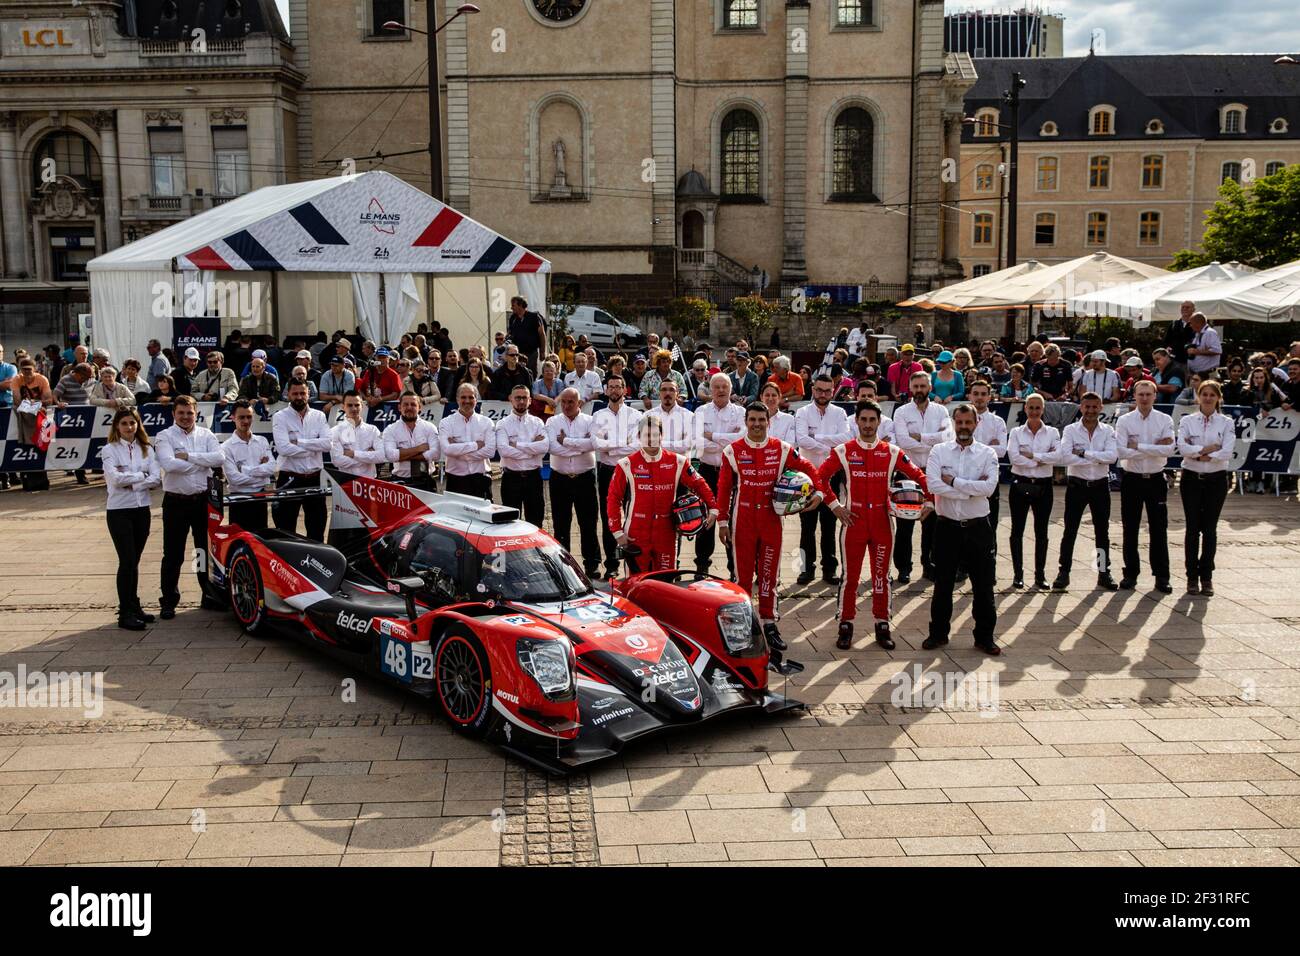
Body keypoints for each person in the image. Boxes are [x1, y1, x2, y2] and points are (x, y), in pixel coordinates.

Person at [821, 399, 931, 650]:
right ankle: (845, 624)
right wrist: (835, 506)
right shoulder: (843, 451)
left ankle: (882, 623)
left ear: (880, 422)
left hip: (883, 522)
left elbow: (920, 476)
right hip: (854, 521)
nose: (868, 425)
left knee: (881, 575)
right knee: (850, 577)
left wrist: (930, 503)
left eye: (872, 420)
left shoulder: (892, 452)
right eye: (864, 420)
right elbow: (820, 478)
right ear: (856, 421)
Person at [716, 402, 825, 651]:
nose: (756, 424)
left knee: (769, 577)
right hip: (742, 520)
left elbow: (808, 468)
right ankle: (742, 627)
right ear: (746, 422)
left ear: (769, 422)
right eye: (752, 420)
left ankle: (769, 624)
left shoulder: (782, 449)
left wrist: (818, 492)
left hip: (771, 520)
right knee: (741, 579)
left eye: (761, 420)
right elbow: (723, 490)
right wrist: (722, 521)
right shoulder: (732, 451)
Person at [923, 404, 1001, 655]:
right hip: (947, 528)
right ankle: (938, 634)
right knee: (942, 585)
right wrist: (970, 490)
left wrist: (955, 483)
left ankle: (984, 637)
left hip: (978, 528)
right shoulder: (939, 451)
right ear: (954, 423)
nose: (964, 427)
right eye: (960, 423)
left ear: (976, 423)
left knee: (983, 586)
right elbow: (933, 484)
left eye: (968, 423)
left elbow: (988, 489)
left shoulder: (987, 453)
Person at [607, 415, 718, 574]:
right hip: (636, 533)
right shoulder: (625, 464)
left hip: (666, 533)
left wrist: (713, 509)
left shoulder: (678, 461)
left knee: (666, 583)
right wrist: (617, 532)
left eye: (655, 435)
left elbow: (699, 483)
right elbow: (613, 498)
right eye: (646, 435)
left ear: (661, 435)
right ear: (639, 436)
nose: (651, 439)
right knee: (636, 586)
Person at [154, 395, 224, 618]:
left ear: (196, 413)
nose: (185, 417)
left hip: (202, 501)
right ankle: (169, 600)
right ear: (174, 413)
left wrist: (189, 457)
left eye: (190, 413)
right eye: (181, 413)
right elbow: (168, 464)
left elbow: (219, 458)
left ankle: (207, 593)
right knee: (173, 554)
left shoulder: (206, 434)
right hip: (176, 502)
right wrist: (200, 463)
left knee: (202, 550)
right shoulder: (164, 436)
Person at [890, 370, 953, 584]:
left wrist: (921, 437)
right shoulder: (901, 412)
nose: (919, 390)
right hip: (908, 472)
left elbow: (948, 438)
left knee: (932, 523)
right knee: (905, 524)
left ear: (930, 387)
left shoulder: (941, 411)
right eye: (915, 387)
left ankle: (929, 564)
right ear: (910, 388)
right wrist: (931, 440)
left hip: (933, 473)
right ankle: (903, 567)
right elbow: (903, 441)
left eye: (922, 386)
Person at [101, 407, 162, 629]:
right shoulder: (110, 449)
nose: (129, 427)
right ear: (117, 426)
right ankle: (124, 612)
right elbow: (115, 479)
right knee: (126, 561)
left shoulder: (146, 448)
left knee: (134, 561)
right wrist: (141, 477)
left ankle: (133, 605)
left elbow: (156, 479)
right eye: (125, 423)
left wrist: (134, 480)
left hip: (141, 509)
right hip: (119, 511)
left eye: (132, 423)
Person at [1053, 392, 1120, 592]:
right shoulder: (1071, 430)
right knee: (1070, 530)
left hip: (1100, 485)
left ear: (1101, 408)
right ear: (1081, 407)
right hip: (1077, 485)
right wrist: (1096, 457)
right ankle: (1063, 572)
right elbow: (1065, 457)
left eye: (1094, 407)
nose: (1090, 411)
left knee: (1102, 532)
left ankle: (1103, 572)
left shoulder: (1107, 430)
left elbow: (1112, 456)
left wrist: (1083, 453)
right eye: (1087, 407)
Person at [1115, 380, 1175, 593]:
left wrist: (1138, 446)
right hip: (1132, 478)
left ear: (1155, 396)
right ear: (1134, 395)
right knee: (1130, 528)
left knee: (1159, 529)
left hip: (1156, 478)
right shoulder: (1125, 420)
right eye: (1140, 394)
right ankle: (1131, 574)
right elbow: (1121, 451)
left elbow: (1169, 449)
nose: (1144, 398)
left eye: (1148, 394)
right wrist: (1154, 447)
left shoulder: (1164, 419)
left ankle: (1162, 576)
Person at [1176, 380, 1234, 596]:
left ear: (1218, 397)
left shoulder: (1226, 422)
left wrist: (1200, 452)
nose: (1208, 398)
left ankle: (1206, 576)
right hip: (1192, 478)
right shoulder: (1188, 421)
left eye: (1212, 394)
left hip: (1216, 479)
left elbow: (1227, 451)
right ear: (1198, 397)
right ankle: (1191, 576)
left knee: (1209, 529)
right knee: (1192, 528)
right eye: (1204, 394)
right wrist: (1208, 450)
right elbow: (1182, 447)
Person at [794, 373, 852, 586]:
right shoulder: (802, 412)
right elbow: (801, 440)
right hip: (807, 477)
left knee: (829, 526)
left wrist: (815, 437)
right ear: (812, 389)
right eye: (819, 390)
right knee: (806, 527)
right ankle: (805, 569)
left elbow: (846, 439)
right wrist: (829, 446)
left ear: (833, 391)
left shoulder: (840, 413)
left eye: (827, 391)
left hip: (831, 476)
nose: (823, 394)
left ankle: (830, 570)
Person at [1006, 393, 1061, 590]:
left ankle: (1040, 575)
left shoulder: (1052, 432)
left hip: (1043, 485)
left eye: (1038, 408)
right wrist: (1039, 460)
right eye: (1031, 408)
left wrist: (1032, 455)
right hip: (1020, 484)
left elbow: (1057, 456)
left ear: (1043, 409)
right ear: (1025, 409)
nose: (1035, 411)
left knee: (1042, 532)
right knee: (1017, 531)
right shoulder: (1016, 432)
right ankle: (1018, 574)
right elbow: (1013, 457)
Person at [694, 373, 746, 576]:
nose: (721, 390)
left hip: (732, 472)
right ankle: (702, 566)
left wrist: (713, 437)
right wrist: (726, 441)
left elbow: (740, 440)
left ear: (731, 389)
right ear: (710, 390)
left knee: (732, 520)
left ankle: (734, 569)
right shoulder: (701, 411)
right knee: (706, 519)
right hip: (707, 471)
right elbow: (697, 442)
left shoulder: (740, 412)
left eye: (725, 386)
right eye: (717, 387)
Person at [592, 375, 643, 579]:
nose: (614, 390)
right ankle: (612, 564)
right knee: (609, 517)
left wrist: (610, 445)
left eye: (618, 386)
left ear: (624, 390)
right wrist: (622, 443)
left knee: (632, 517)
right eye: (611, 387)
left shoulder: (635, 416)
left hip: (630, 471)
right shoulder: (598, 416)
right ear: (606, 390)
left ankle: (633, 562)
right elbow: (597, 444)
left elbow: (637, 445)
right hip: (607, 471)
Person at [547, 387, 601, 576]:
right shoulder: (552, 421)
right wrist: (580, 445)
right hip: (559, 478)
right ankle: (563, 566)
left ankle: (592, 565)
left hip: (585, 477)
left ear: (579, 403)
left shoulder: (590, 421)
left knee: (588, 523)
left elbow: (594, 444)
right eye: (564, 402)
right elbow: (552, 447)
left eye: (571, 402)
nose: (567, 405)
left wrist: (567, 441)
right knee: (561, 523)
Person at [271, 380, 331, 541]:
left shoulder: (319, 416)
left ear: (308, 394)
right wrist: (313, 448)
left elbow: (327, 444)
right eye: (295, 393)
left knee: (317, 530)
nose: (299, 397)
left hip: (315, 479)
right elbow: (284, 448)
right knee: (285, 530)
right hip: (289, 478)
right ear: (288, 395)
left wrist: (301, 442)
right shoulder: (280, 417)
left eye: (302, 393)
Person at [495, 384, 549, 525]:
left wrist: (517, 445)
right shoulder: (502, 424)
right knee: (509, 523)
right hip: (511, 478)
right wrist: (532, 450)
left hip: (534, 478)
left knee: (536, 522)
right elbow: (503, 450)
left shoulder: (537, 423)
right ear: (510, 399)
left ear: (530, 400)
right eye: (517, 398)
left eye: (524, 398)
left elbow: (544, 447)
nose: (521, 401)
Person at [967, 379, 1007, 569]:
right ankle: (963, 566)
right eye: (976, 394)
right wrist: (988, 446)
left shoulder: (997, 422)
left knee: (990, 525)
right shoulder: (961, 419)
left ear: (989, 397)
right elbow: (958, 447)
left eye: (983, 394)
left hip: (989, 479)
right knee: (964, 523)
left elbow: (1002, 450)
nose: (980, 398)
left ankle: (988, 566)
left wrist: (978, 448)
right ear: (970, 396)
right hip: (966, 478)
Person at [221, 400, 277, 532]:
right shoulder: (225, 447)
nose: (246, 421)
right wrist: (263, 477)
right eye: (241, 417)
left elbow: (272, 467)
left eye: (249, 416)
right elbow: (234, 479)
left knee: (260, 541)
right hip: (238, 501)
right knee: (239, 542)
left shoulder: (262, 441)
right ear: (232, 418)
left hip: (260, 499)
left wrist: (245, 470)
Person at [441, 383, 495, 499]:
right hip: (455, 480)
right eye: (463, 397)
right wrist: (476, 445)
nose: (467, 401)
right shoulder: (446, 422)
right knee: (455, 517)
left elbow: (490, 452)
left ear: (476, 399)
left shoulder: (487, 422)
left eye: (471, 397)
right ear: (457, 399)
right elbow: (447, 450)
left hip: (481, 479)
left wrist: (458, 450)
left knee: (483, 517)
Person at [382, 391, 441, 491]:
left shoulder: (430, 427)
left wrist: (401, 455)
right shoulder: (390, 429)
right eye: (405, 404)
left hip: (426, 482)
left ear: (419, 407)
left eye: (413, 404)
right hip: (400, 482)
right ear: (399, 407)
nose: (409, 407)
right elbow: (390, 456)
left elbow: (435, 454)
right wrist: (419, 449)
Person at [329, 391, 386, 479]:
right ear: (343, 407)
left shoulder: (372, 430)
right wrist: (368, 457)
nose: (354, 408)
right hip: (346, 483)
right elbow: (337, 461)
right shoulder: (335, 431)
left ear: (362, 406)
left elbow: (381, 456)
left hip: (370, 482)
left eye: (357, 405)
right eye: (350, 405)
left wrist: (353, 454)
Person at [647, 379, 695, 455]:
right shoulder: (648, 415)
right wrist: (678, 445)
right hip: (654, 464)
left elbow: (689, 444)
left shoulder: (689, 416)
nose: (667, 393)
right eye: (664, 390)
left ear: (677, 393)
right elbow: (643, 443)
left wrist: (657, 444)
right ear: (659, 393)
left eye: (672, 390)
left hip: (680, 465)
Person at [508, 296, 547, 373]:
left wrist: (542, 352)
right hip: (517, 353)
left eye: (513, 305)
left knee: (531, 372)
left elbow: (542, 334)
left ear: (520, 305)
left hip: (531, 352)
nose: (511, 308)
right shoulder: (513, 318)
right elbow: (510, 334)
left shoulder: (534, 317)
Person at [1186, 312, 1222, 377]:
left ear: (1198, 323)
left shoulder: (1210, 332)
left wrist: (1197, 352)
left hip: (1207, 375)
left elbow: (1217, 350)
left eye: (1191, 323)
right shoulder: (1198, 333)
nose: (1190, 325)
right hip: (1197, 374)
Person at [1165, 301, 1197, 366]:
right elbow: (1166, 341)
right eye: (1183, 307)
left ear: (1193, 309)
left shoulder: (1197, 325)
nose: (1184, 309)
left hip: (1192, 361)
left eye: (1187, 307)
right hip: (1175, 360)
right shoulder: (1174, 324)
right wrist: (1167, 347)